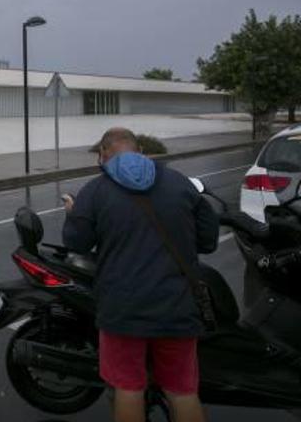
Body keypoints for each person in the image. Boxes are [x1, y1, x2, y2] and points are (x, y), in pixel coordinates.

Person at [62, 127, 219, 422]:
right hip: (178, 306)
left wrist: (75, 214)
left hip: (123, 310)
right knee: (182, 390)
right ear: (142, 153)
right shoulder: (179, 183)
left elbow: (76, 243)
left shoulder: (95, 190)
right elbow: (208, 240)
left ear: (102, 157)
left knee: (128, 387)